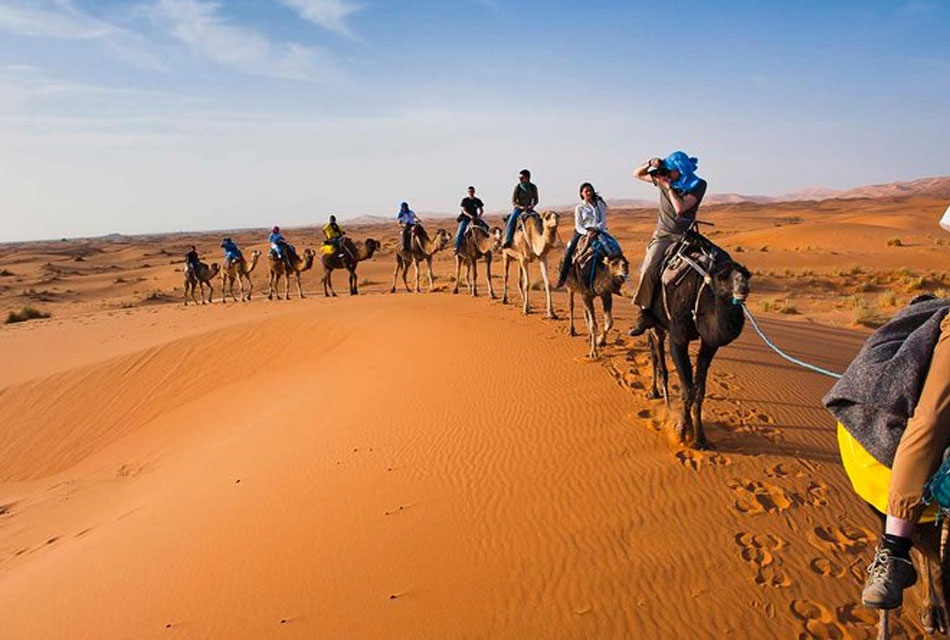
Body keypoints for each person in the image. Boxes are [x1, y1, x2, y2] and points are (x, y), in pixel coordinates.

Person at [627, 151, 708, 336]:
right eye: (667, 170)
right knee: (648, 268)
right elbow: (636, 174)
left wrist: (668, 186)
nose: (667, 173)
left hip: (686, 235)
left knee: (710, 263)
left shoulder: (698, 185)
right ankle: (644, 312)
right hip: (664, 236)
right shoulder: (663, 181)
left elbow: (681, 208)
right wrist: (650, 162)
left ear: (681, 169)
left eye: (670, 170)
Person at [556, 182, 620, 288]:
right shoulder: (579, 208)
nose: (589, 193)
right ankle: (562, 279)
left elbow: (603, 220)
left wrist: (597, 229)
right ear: (581, 194)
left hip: (599, 230)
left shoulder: (600, 204)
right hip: (582, 231)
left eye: (590, 190)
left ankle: (620, 275)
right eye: (586, 191)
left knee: (614, 248)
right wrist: (587, 232)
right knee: (569, 253)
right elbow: (578, 225)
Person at [502, 169, 539, 249]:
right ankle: (508, 240)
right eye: (519, 178)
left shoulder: (533, 187)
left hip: (529, 209)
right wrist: (521, 207)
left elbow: (536, 200)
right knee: (511, 221)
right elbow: (513, 201)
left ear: (528, 178)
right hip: (519, 209)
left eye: (522, 178)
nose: (520, 179)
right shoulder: (518, 187)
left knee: (539, 220)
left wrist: (532, 205)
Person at [455, 186, 486, 254]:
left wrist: (479, 216)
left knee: (486, 227)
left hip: (475, 218)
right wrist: (470, 216)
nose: (471, 193)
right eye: (469, 192)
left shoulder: (477, 200)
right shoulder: (465, 200)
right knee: (461, 230)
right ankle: (456, 247)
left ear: (474, 192)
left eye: (472, 191)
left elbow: (481, 210)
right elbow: (464, 210)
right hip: (466, 218)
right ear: (468, 192)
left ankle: (487, 246)